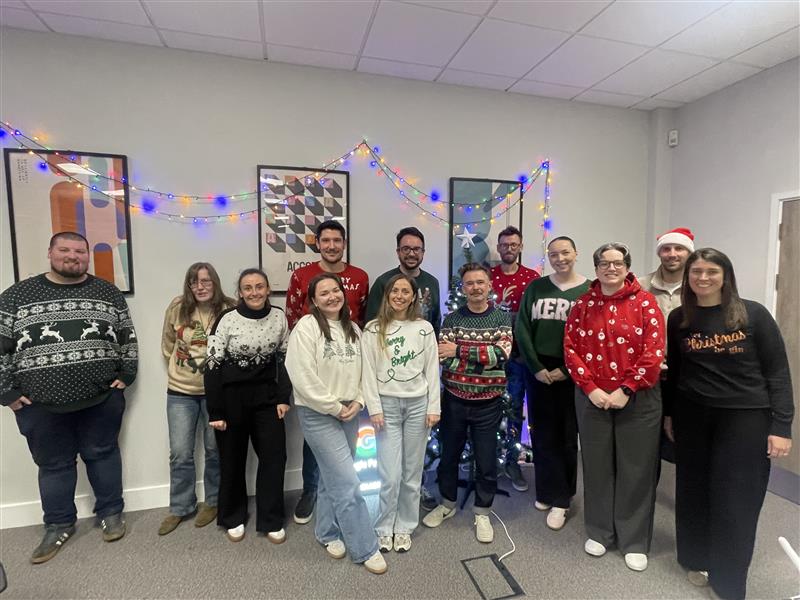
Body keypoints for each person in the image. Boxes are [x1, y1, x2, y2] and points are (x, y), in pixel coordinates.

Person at [0, 231, 138, 564]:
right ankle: (59, 523)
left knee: (103, 454)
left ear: (87, 256)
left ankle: (111, 513)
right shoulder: (17, 296)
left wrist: (126, 374)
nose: (72, 256)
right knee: (54, 466)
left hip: (100, 399)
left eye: (79, 251)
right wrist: (8, 393)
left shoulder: (107, 293)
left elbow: (127, 338)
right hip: (39, 405)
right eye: (64, 250)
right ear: (50, 252)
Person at [664, 248, 793, 599]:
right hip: (692, 416)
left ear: (726, 276)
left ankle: (728, 580)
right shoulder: (679, 318)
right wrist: (670, 414)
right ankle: (695, 558)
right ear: (687, 277)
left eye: (711, 272)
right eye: (696, 272)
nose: (702, 278)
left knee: (736, 499)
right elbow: (675, 372)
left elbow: (778, 372)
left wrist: (782, 426)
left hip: (744, 418)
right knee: (693, 491)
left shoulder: (753, 314)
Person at [564, 243, 664, 572]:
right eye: (604, 263)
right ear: (595, 268)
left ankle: (633, 540)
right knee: (597, 466)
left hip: (638, 397)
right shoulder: (582, 305)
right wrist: (591, 388)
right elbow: (571, 348)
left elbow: (654, 350)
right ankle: (599, 531)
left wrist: (626, 388)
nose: (611, 268)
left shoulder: (645, 303)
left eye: (617, 263)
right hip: (592, 397)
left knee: (636, 469)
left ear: (627, 267)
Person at [285, 273, 387, 574]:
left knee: (333, 478)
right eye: (324, 293)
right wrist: (334, 406)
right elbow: (301, 376)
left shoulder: (353, 328)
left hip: (350, 411)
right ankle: (365, 547)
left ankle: (327, 533)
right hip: (319, 414)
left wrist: (357, 401)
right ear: (314, 300)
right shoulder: (306, 327)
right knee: (348, 482)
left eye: (336, 290)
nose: (332, 296)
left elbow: (362, 371)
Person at [285, 220, 370, 525]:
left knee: (343, 463)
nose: (332, 245)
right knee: (317, 448)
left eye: (338, 240)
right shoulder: (301, 276)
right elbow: (294, 318)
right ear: (317, 243)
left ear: (344, 243)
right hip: (317, 367)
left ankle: (326, 516)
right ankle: (310, 491)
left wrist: (358, 397)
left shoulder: (359, 277)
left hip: (348, 363)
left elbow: (361, 317)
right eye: (326, 240)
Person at [423, 263, 513, 544]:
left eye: (480, 282)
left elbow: (502, 354)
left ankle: (482, 512)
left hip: (489, 403)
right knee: (449, 457)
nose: (475, 287)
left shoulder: (502, 318)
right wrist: (480, 356)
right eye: (469, 283)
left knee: (486, 461)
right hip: (454, 401)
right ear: (463, 288)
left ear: (489, 286)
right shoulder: (451, 319)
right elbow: (443, 356)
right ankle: (447, 503)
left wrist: (461, 351)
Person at [204, 268, 291, 544]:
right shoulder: (226, 320)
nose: (254, 292)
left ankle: (271, 519)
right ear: (240, 292)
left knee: (275, 457)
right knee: (232, 458)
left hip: (266, 399)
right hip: (231, 400)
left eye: (259, 286)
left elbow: (284, 360)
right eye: (248, 288)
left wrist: (282, 398)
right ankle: (233, 516)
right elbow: (212, 367)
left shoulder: (279, 317)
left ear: (268, 289)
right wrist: (215, 411)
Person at [362, 274, 441, 553]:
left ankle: (404, 526)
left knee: (411, 473)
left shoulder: (424, 328)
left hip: (419, 405)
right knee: (390, 474)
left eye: (405, 291)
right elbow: (367, 373)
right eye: (394, 290)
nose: (399, 295)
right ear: (387, 295)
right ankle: (384, 527)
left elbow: (432, 368)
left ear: (413, 296)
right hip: (387, 408)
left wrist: (434, 407)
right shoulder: (373, 329)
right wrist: (374, 408)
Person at [515, 236, 589, 530]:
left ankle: (562, 499)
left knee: (566, 437)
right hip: (538, 372)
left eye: (565, 252)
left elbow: (590, 336)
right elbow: (522, 327)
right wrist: (535, 367)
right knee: (541, 434)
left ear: (575, 253)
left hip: (570, 372)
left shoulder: (588, 290)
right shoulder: (536, 287)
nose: (559, 258)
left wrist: (566, 370)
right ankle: (546, 490)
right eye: (554, 254)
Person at [158, 262, 236, 535]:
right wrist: (182, 369)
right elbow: (168, 344)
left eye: (205, 281)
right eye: (194, 282)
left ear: (214, 282)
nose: (200, 287)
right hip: (180, 392)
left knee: (215, 451)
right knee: (180, 453)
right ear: (188, 285)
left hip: (218, 395)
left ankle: (212, 501)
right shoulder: (177, 307)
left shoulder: (230, 309)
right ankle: (181, 507)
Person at [489, 225, 540, 492]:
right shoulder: (487, 276)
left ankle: (512, 461)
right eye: (504, 244)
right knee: (490, 410)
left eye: (514, 245)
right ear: (498, 248)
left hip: (518, 358)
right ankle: (489, 461)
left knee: (514, 410)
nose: (509, 249)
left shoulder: (532, 278)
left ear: (520, 247)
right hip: (490, 358)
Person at [638, 227, 695, 465]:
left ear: (688, 253)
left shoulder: (699, 287)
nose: (672, 254)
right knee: (647, 445)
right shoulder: (640, 286)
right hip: (650, 375)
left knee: (686, 440)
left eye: (679, 248)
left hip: (687, 376)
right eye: (666, 249)